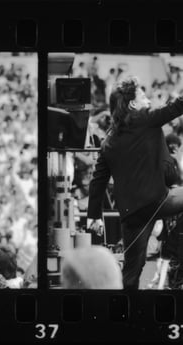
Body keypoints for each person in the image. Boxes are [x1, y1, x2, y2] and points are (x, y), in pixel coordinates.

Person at [87, 77, 183, 289]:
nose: (148, 100)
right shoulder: (146, 119)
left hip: (133, 214)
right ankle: (175, 262)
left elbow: (98, 180)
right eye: (143, 96)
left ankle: (123, 316)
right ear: (133, 104)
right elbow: (177, 106)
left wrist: (93, 215)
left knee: (131, 273)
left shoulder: (108, 141)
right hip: (159, 200)